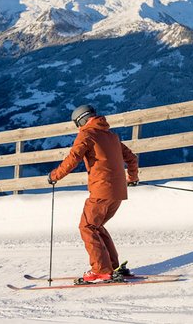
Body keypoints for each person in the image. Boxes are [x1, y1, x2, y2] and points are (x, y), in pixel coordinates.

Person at [48, 104, 140, 284]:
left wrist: (54, 176)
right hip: (118, 192)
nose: (78, 128)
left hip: (101, 189)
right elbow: (131, 158)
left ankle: (100, 270)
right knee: (96, 226)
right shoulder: (111, 136)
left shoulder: (87, 134)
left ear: (81, 120)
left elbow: (73, 158)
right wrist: (132, 177)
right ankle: (112, 267)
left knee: (87, 227)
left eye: (77, 124)